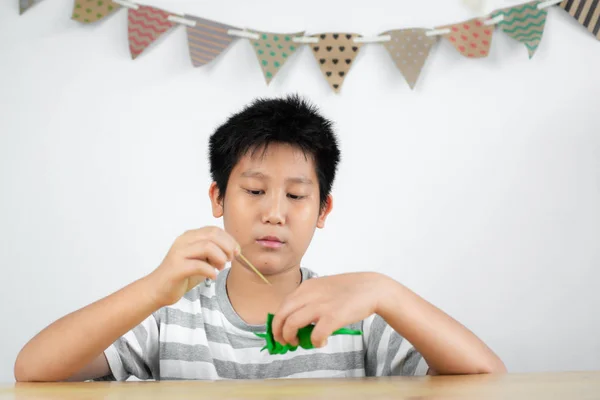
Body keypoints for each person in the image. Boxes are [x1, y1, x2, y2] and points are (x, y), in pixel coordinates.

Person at [14, 95, 506, 382]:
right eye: (254, 190)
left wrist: (385, 291)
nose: (274, 213)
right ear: (218, 198)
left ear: (322, 211)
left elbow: (489, 378)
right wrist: (153, 288)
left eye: (296, 196)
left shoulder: (352, 314)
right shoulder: (172, 316)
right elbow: (32, 370)